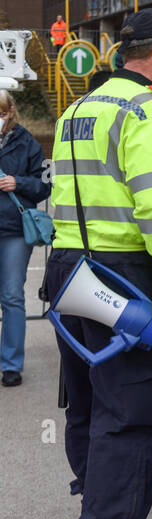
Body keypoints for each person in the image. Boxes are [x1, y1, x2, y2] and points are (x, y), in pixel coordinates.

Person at [46, 8, 152, 519]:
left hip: (69, 269)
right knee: (131, 416)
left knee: (87, 401)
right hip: (129, 274)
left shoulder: (79, 109)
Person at [0, 90, 50, 388]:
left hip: (15, 230)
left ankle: (11, 364)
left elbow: (44, 185)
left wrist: (18, 182)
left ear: (10, 112)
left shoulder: (26, 142)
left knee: (12, 296)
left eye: (2, 112)